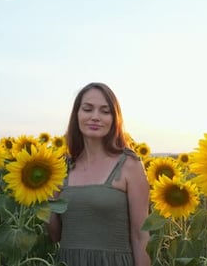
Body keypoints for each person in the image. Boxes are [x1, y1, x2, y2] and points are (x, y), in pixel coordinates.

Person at [46, 82, 151, 266]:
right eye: (87, 109)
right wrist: (44, 194)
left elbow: (140, 237)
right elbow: (55, 235)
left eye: (105, 111)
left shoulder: (129, 165)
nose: (95, 117)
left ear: (114, 118)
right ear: (77, 115)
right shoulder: (61, 168)